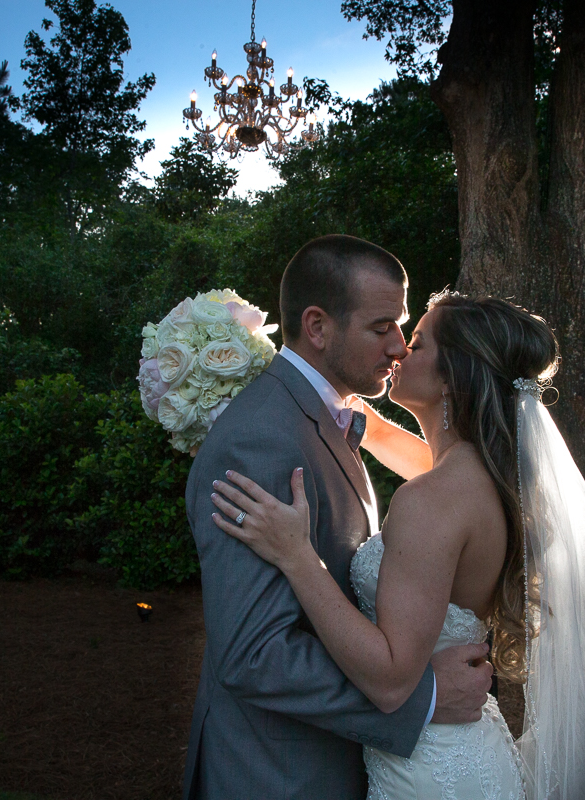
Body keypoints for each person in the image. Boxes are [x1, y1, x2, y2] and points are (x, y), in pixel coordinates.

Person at [212, 292, 585, 799]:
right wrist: (367, 426)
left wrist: (297, 556)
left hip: (429, 771)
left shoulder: (432, 500)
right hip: (467, 749)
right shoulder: (486, 480)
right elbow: (424, 462)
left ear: (451, 377)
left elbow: (390, 677)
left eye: (418, 343)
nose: (399, 351)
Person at [181, 235, 494, 800]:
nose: (399, 347)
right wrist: (422, 698)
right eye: (383, 328)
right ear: (319, 327)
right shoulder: (260, 440)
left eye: (405, 330)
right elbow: (254, 655)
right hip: (277, 777)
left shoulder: (326, 416)